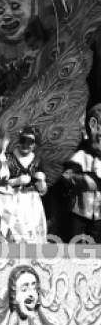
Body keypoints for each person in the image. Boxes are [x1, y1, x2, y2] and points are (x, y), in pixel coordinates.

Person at [0, 128, 48, 242]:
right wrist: (16, 181)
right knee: (15, 231)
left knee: (32, 233)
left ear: (35, 144)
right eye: (23, 140)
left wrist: (41, 183)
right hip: (12, 199)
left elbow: (43, 190)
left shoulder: (37, 160)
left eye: (30, 142)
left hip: (32, 202)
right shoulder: (8, 157)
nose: (25, 145)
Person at [60, 103, 101, 242]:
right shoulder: (81, 156)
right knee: (76, 244)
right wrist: (81, 179)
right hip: (80, 210)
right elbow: (66, 176)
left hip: (99, 214)